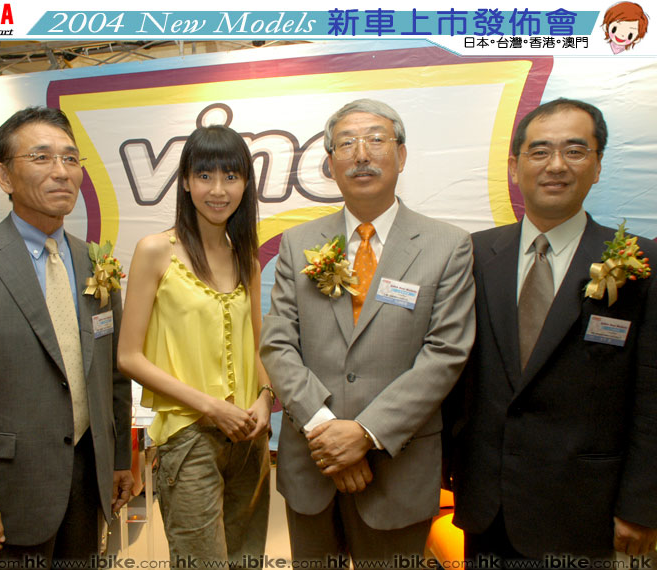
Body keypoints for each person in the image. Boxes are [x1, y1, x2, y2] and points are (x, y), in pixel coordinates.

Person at [259, 99, 476, 565]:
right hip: (312, 466)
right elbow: (278, 343)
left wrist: (365, 433)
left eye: (376, 140)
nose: (361, 154)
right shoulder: (298, 243)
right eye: (346, 143)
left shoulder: (448, 245)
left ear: (401, 155)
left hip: (397, 470)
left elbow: (445, 353)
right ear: (330, 162)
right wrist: (325, 430)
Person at [0, 107, 133, 566]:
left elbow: (111, 374)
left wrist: (118, 461)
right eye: (41, 157)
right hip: (9, 489)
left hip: (87, 478)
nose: (61, 172)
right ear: (4, 176)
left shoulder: (95, 262)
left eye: (71, 159)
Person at [449, 98, 657, 565]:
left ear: (598, 165)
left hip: (587, 507)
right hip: (487, 504)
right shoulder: (473, 255)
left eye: (575, 151)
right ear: (514, 167)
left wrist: (643, 504)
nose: (556, 165)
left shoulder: (641, 263)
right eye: (540, 151)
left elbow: (652, 392)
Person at [117, 125, 272, 567]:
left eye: (231, 176)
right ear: (185, 181)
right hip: (188, 436)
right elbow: (128, 356)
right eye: (205, 176)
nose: (218, 190)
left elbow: (259, 346)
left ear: (246, 184)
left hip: (249, 436)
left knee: (247, 559)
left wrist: (265, 398)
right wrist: (210, 406)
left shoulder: (246, 258)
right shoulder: (155, 251)